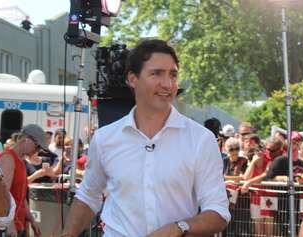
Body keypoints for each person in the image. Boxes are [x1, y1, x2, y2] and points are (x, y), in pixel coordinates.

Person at [61, 39, 230, 237]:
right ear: (132, 79)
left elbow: (218, 212)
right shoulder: (105, 138)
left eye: (173, 75)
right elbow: (89, 196)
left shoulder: (200, 139)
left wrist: (179, 228)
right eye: (156, 73)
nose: (167, 84)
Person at [0, 124, 44, 237]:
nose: (37, 151)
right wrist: (10, 222)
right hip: (7, 226)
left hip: (19, 225)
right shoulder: (7, 159)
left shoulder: (21, 161)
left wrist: (32, 220)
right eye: (37, 146)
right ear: (27, 140)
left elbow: (21, 197)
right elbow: (1, 194)